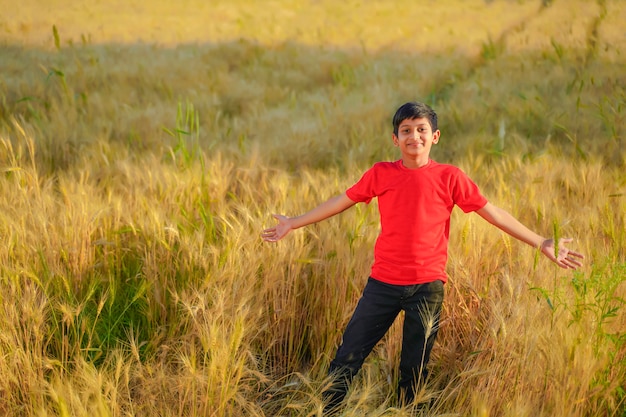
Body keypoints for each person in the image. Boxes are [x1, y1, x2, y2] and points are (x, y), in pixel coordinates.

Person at [261, 101, 584, 413]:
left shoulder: (450, 177)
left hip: (427, 288)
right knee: (347, 357)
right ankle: (327, 411)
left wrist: (541, 241)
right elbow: (340, 201)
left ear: (435, 136)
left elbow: (493, 213)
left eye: (421, 129)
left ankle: (409, 412)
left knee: (414, 372)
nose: (414, 136)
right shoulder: (381, 173)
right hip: (382, 285)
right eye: (406, 130)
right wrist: (294, 222)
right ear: (395, 139)